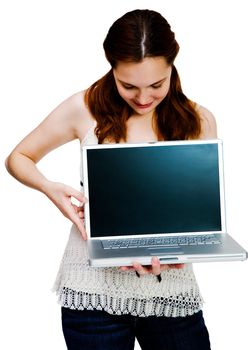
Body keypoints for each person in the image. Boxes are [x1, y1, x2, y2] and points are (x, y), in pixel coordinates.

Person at [6, 9, 216, 350]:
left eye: (156, 85)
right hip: (93, 291)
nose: (144, 98)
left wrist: (187, 246)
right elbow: (19, 157)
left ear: (173, 67)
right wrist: (49, 188)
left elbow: (198, 205)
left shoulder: (199, 119)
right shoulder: (84, 107)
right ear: (112, 67)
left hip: (170, 288)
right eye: (128, 85)